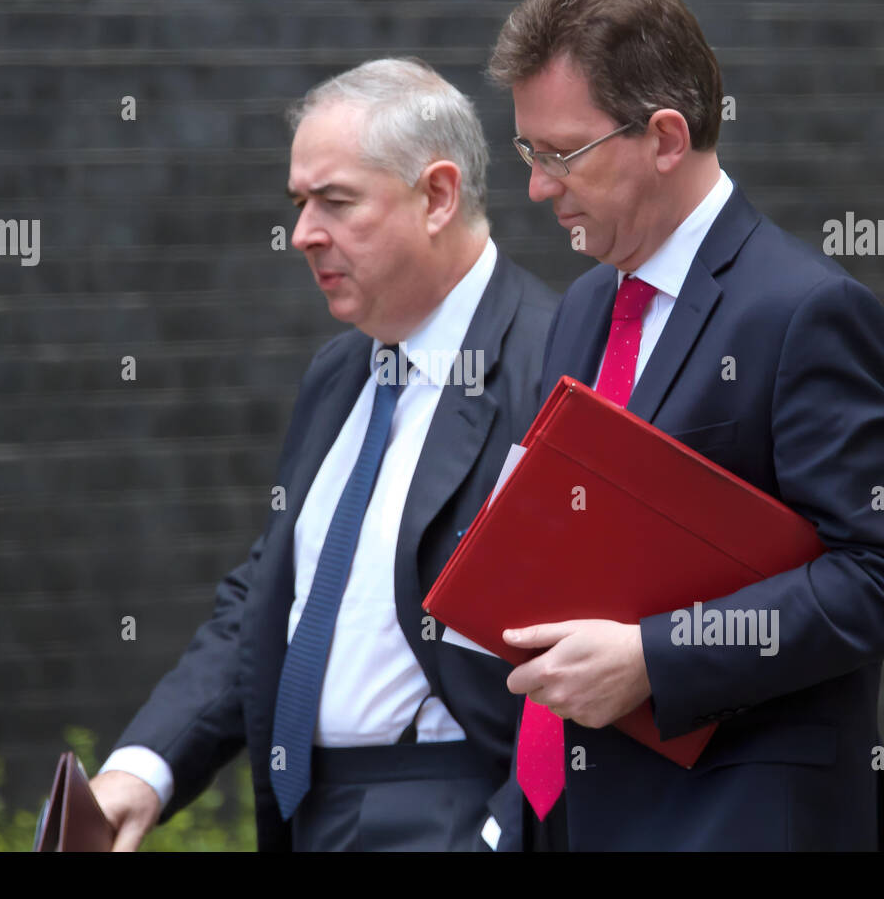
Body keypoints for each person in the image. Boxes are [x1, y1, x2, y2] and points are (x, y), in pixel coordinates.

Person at [485, 0, 884, 851]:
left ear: (665, 136)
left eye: (563, 154)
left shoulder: (806, 310)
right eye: (527, 153)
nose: (539, 187)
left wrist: (654, 660)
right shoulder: (583, 306)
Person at [88, 58, 557, 852]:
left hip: (451, 814)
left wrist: (500, 836)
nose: (304, 232)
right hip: (310, 815)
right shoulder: (341, 372)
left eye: (335, 202)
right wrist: (146, 765)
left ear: (438, 196)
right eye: (299, 203)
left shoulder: (553, 366)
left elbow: (597, 653)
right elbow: (276, 597)